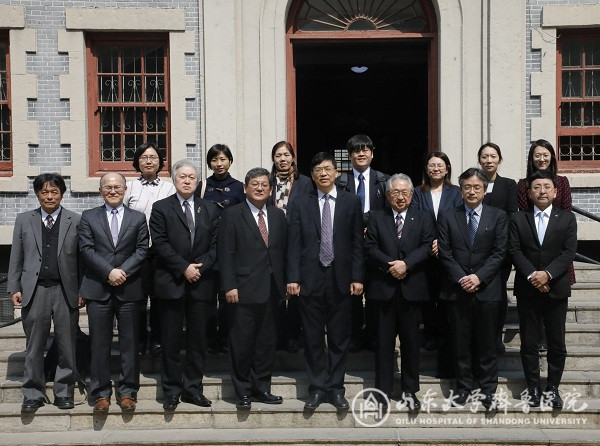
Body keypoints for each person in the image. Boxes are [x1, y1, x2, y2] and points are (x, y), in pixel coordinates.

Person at [287, 151, 365, 412]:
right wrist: (293, 277)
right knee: (312, 337)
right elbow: (293, 243)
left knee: (340, 337)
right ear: (312, 174)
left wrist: (357, 276)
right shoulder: (300, 202)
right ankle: (317, 388)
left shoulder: (351, 201)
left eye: (328, 169)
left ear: (336, 173)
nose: (323, 173)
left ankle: (336, 388)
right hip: (309, 279)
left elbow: (357, 243)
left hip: (341, 279)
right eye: (318, 169)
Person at [8, 173, 83, 412]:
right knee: (34, 345)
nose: (49, 196)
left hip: (65, 290)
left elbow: (82, 260)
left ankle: (64, 392)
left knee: (66, 345)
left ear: (62, 194)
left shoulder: (76, 220)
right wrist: (14, 287)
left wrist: (82, 290)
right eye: (44, 192)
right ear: (37, 194)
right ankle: (33, 393)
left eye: (54, 192)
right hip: (34, 290)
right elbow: (16, 257)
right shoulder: (23, 220)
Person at [150, 159, 220, 411]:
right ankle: (171, 390)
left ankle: (193, 389)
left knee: (197, 340)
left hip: (201, 284)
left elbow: (215, 245)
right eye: (182, 177)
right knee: (170, 340)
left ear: (197, 181)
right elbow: (159, 243)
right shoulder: (160, 208)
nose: (187, 180)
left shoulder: (210, 208)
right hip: (171, 283)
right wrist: (183, 268)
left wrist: (199, 267)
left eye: (192, 177)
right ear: (174, 179)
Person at [437, 167, 508, 410]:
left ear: (485, 190)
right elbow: (445, 253)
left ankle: (488, 391)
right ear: (461, 189)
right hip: (457, 291)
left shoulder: (497, 216)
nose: (472, 191)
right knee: (460, 342)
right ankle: (463, 388)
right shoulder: (448, 215)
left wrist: (478, 277)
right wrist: (461, 278)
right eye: (467, 187)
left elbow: (500, 253)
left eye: (477, 187)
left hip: (487, 290)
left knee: (488, 344)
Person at [78, 173, 149, 412]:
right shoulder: (88, 217)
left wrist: (122, 271)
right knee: (99, 344)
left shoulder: (138, 218)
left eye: (117, 186)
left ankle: (128, 392)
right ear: (100, 191)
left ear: (125, 189)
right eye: (107, 187)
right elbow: (86, 249)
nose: (112, 190)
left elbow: (142, 250)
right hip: (98, 289)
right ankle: (100, 394)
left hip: (129, 289)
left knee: (130, 343)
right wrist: (109, 271)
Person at [218, 168, 287, 410]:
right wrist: (229, 285)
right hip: (242, 289)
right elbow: (225, 253)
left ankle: (262, 388)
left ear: (271, 190)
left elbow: (282, 253)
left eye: (264, 185)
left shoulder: (278, 216)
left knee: (266, 342)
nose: (260, 188)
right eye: (255, 184)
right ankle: (243, 391)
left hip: (272, 289)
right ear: (245, 188)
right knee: (242, 341)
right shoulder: (232, 214)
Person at [365, 173, 435, 410]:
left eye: (405, 192)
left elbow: (427, 245)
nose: (401, 197)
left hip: (412, 288)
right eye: (395, 192)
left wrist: (407, 264)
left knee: (411, 344)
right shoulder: (376, 217)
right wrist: (390, 266)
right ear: (387, 195)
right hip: (384, 289)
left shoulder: (424, 218)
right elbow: (370, 246)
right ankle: (382, 392)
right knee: (383, 344)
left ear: (412, 195)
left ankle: (409, 391)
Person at [509, 170, 577, 409]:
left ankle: (553, 388)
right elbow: (515, 251)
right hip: (527, 290)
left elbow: (568, 252)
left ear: (556, 191)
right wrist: (532, 275)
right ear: (529, 192)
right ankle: (533, 387)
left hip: (556, 288)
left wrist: (546, 274)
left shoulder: (566, 219)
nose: (542, 191)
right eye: (536, 187)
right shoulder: (518, 219)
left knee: (556, 342)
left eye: (547, 187)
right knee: (528, 342)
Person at [517, 139, 575, 350]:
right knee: (533, 303)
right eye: (537, 155)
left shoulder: (563, 181)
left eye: (545, 154)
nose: (541, 159)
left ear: (552, 156)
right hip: (533, 249)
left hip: (557, 247)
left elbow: (567, 211)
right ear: (532, 159)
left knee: (555, 302)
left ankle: (550, 337)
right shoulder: (524, 184)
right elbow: (524, 212)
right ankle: (538, 336)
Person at [335, 134, 389, 353]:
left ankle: (374, 335)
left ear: (372, 154)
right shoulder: (340, 181)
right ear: (350, 156)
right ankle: (355, 336)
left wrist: (371, 226)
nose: (361, 153)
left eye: (365, 149)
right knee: (352, 294)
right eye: (356, 151)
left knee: (376, 293)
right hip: (349, 247)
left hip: (378, 246)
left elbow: (388, 212)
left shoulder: (384, 180)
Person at [411, 151, 463, 377]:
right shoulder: (416, 193)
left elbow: (458, 219)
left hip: (448, 253)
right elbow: (414, 219)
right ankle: (430, 333)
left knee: (444, 297)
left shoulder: (457, 193)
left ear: (447, 168)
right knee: (426, 295)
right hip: (423, 253)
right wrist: (430, 242)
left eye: (440, 165)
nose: (435, 169)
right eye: (431, 165)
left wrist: (441, 242)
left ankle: (442, 334)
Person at [123, 142, 175, 357]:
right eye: (144, 157)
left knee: (159, 298)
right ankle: (139, 340)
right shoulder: (129, 187)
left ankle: (157, 340)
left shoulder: (169, 187)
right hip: (137, 252)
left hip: (161, 251)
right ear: (137, 161)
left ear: (160, 162)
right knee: (138, 298)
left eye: (153, 157)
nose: (149, 161)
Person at [195, 144, 245, 355]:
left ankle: (226, 338)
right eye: (214, 160)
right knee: (207, 297)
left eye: (223, 159)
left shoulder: (240, 187)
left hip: (232, 248)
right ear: (209, 163)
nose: (219, 163)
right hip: (208, 248)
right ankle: (209, 338)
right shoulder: (202, 186)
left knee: (228, 297)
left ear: (230, 161)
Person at [268, 141, 314, 354]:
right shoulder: (266, 182)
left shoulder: (306, 183)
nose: (283, 159)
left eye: (286, 154)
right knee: (275, 290)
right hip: (273, 244)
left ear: (293, 157)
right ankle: (276, 335)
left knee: (296, 291)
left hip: (299, 242)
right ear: (273, 159)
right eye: (278, 155)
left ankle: (294, 335)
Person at [478, 142, 518, 355]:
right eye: (485, 156)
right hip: (476, 249)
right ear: (479, 160)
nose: (489, 160)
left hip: (500, 249)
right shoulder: (474, 182)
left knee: (498, 294)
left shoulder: (508, 184)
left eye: (493, 156)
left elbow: (512, 214)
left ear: (499, 160)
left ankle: (495, 336)